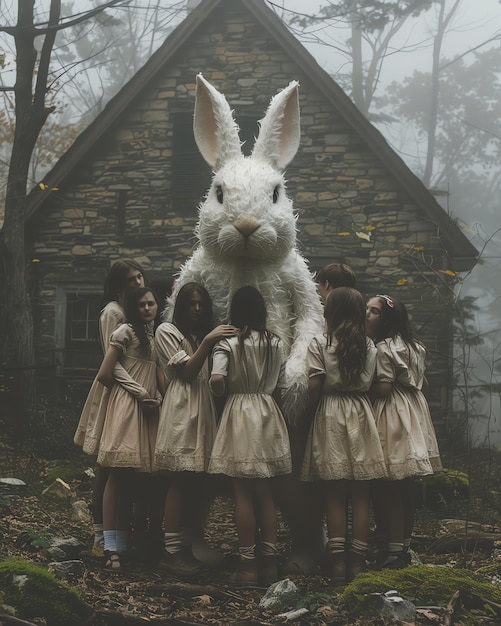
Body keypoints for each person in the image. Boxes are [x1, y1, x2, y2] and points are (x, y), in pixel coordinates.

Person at [301, 287, 387, 584]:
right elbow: (378, 384)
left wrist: (307, 415)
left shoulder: (320, 343)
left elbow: (314, 386)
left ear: (332, 311)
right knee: (361, 494)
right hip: (361, 414)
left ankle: (338, 564)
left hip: (330, 413)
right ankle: (358, 563)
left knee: (335, 494)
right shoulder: (370, 345)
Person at [208, 286, 292, 586]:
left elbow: (217, 379)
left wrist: (219, 392)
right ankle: (270, 564)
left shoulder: (227, 343)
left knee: (242, 492)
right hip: (268, 412)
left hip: (240, 412)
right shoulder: (276, 343)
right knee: (266, 492)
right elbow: (283, 387)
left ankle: (247, 566)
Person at [153, 282, 238, 578]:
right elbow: (187, 372)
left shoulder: (199, 334)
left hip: (203, 408)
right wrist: (209, 341)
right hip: (181, 409)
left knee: (196, 482)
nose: (197, 309)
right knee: (179, 479)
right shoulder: (166, 331)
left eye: (201, 303)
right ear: (181, 306)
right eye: (191, 303)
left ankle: (187, 546)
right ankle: (171, 553)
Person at [74, 258, 146, 557]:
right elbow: (111, 363)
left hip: (132, 392)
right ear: (119, 284)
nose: (139, 283)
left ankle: (122, 532)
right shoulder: (112, 313)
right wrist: (137, 390)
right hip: (114, 391)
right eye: (132, 280)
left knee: (123, 465)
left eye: (141, 277)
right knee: (106, 464)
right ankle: (100, 534)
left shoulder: (135, 312)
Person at [366, 294, 442, 569]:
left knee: (390, 484)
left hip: (392, 412)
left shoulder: (384, 349)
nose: (367, 314)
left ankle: (394, 550)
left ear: (386, 320)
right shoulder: (415, 346)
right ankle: (401, 544)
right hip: (414, 410)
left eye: (373, 311)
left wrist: (359, 389)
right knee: (404, 484)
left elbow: (384, 387)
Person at [94, 286, 166, 571]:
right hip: (127, 404)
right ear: (132, 309)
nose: (147, 308)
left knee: (135, 480)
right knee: (117, 474)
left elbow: (158, 373)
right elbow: (106, 371)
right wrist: (138, 392)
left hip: (149, 407)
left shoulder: (153, 335)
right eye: (141, 305)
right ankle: (110, 547)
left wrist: (160, 398)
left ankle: (125, 544)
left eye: (151, 303)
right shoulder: (125, 331)